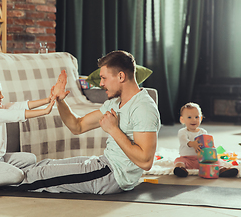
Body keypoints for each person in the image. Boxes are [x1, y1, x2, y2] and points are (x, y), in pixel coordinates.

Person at [8, 50, 161, 194]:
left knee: (39, 175)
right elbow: (77, 126)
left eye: (104, 78)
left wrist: (113, 130)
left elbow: (146, 162)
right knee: (45, 165)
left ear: (121, 76)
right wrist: (60, 101)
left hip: (113, 176)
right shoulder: (115, 103)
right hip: (104, 163)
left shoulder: (143, 108)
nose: (101, 84)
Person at [173, 102, 238, 178]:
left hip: (202, 159)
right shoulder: (182, 132)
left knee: (216, 161)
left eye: (196, 117)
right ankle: (180, 169)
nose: (193, 120)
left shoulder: (203, 132)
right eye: (189, 117)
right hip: (187, 159)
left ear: (200, 118)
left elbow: (207, 143)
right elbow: (183, 140)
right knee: (179, 161)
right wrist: (192, 144)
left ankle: (222, 170)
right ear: (182, 120)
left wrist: (211, 149)